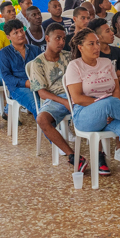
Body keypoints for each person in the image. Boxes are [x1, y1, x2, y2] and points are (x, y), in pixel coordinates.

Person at [65, 28, 120, 191]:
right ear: (80, 47)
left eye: (98, 43)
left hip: (110, 111)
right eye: (91, 44)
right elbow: (77, 98)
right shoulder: (74, 66)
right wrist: (104, 107)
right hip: (85, 115)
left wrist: (109, 109)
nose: (96, 47)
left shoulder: (107, 63)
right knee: (108, 103)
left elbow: (116, 89)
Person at [27, 27, 81, 169]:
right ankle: (72, 155)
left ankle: (100, 152)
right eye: (58, 38)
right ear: (47, 39)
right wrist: (64, 101)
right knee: (41, 119)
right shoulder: (37, 63)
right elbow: (42, 93)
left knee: (97, 107)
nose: (62, 42)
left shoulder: (69, 57)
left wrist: (73, 97)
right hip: (54, 99)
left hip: (73, 94)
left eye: (64, 39)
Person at [0, 19, 40, 119]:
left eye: (21, 30)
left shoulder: (35, 49)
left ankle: (64, 129)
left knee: (59, 100)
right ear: (8, 37)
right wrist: (26, 83)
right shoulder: (4, 53)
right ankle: (52, 132)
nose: (20, 34)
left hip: (37, 84)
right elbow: (7, 77)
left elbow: (43, 68)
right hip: (18, 88)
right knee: (38, 106)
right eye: (15, 33)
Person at [88, 18, 120, 86]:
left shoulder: (118, 51)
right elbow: (95, 81)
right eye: (108, 31)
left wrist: (108, 78)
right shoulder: (93, 55)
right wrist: (117, 74)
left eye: (111, 30)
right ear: (98, 37)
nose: (112, 33)